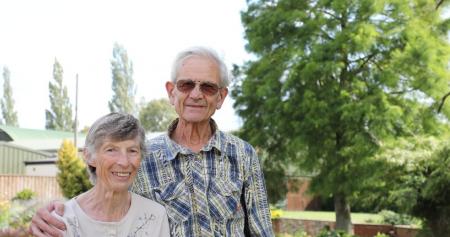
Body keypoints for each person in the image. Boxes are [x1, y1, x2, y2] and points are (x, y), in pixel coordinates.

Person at [30, 47, 274, 237]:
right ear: (171, 92)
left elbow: (261, 230)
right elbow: (102, 199)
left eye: (208, 87)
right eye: (186, 84)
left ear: (221, 97)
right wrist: (54, 210)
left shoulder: (242, 155)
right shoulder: (141, 157)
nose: (196, 94)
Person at [47, 113, 170, 236]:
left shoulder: (155, 216)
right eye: (111, 150)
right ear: (89, 156)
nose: (124, 162)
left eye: (132, 151)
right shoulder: (62, 221)